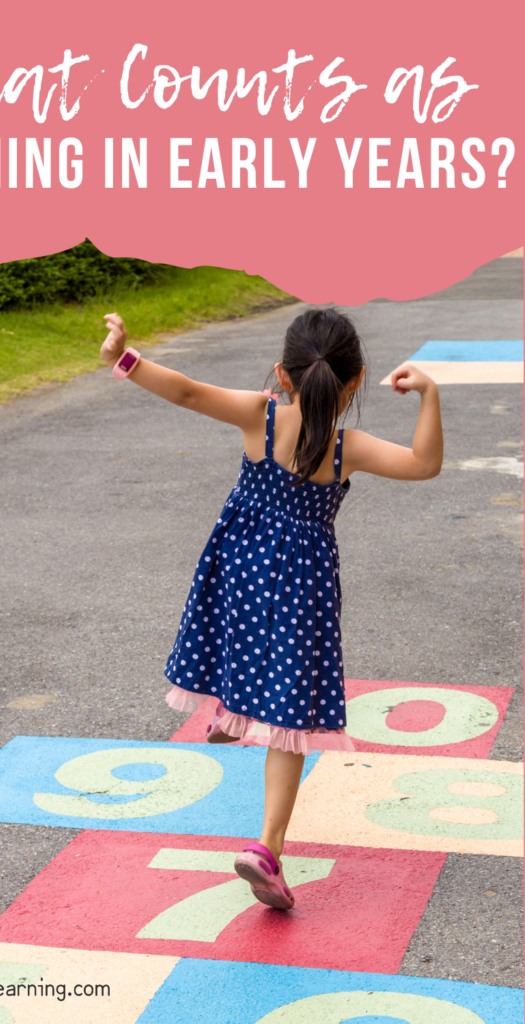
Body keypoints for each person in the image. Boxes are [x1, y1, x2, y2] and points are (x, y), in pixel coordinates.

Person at [100, 307, 443, 911]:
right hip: (304, 584)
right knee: (289, 715)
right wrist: (429, 398)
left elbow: (182, 390)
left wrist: (123, 357)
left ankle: (230, 712)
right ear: (356, 381)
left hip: (242, 564)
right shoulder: (348, 447)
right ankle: (266, 847)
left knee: (235, 637)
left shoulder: (260, 416)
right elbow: (424, 464)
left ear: (283, 375)